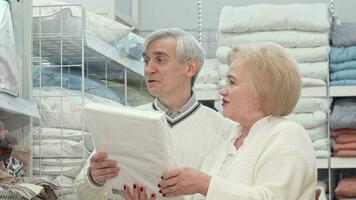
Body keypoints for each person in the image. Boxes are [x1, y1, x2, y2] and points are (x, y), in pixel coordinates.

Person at [74, 28, 235, 200]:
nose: (149, 69)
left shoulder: (225, 131)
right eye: (146, 60)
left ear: (190, 67)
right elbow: (82, 192)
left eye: (160, 59)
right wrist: (94, 178)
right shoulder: (124, 121)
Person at [156, 42, 317, 200]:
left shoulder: (287, 135)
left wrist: (205, 184)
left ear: (262, 90)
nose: (222, 91)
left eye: (232, 82)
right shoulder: (223, 148)